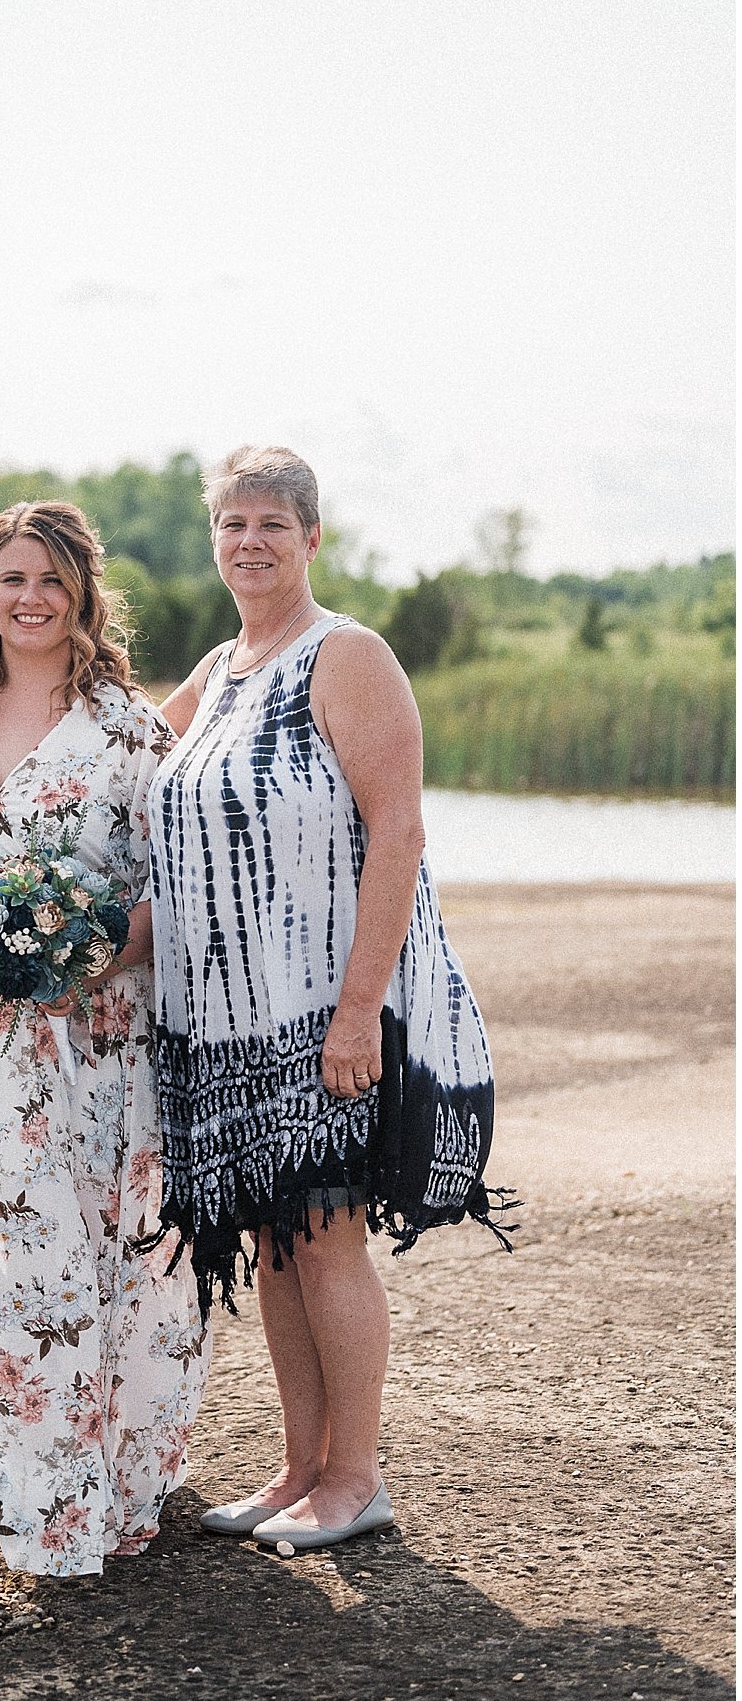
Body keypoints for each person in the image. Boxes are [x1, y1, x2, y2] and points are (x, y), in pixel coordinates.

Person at [148, 444, 505, 1555]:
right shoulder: (213, 672)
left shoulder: (344, 656)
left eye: (271, 523)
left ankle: (357, 1475)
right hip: (229, 1019)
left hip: (326, 1008)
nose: (248, 541)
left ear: (312, 538)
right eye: (231, 523)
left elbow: (397, 831)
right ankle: (300, 1464)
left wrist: (358, 1013)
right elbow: (129, 792)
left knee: (328, 1234)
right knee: (275, 1237)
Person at [0, 502, 209, 1579]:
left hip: (99, 1038)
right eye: (11, 578)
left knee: (106, 1262)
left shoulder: (127, 728)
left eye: (52, 581)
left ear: (82, 594)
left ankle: (119, 1481)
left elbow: (180, 886)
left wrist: (98, 949)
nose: (30, 598)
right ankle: (39, 1497)